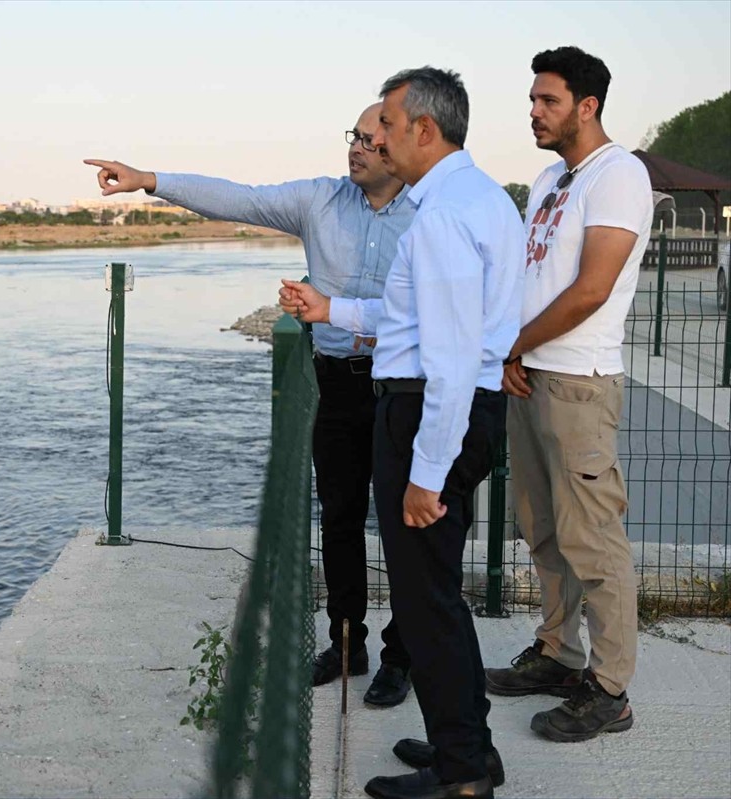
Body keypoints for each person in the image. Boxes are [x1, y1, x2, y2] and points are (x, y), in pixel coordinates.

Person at [84, 101, 416, 708]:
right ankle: (348, 645)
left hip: (404, 386)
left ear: (401, 143)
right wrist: (149, 181)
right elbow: (235, 197)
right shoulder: (319, 200)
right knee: (340, 519)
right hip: (337, 382)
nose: (357, 148)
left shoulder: (430, 213)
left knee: (401, 523)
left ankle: (402, 654)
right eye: (354, 137)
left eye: (372, 139)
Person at [281, 67, 523, 799]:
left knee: (426, 602)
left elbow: (447, 358)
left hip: (429, 413)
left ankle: (462, 777)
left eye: (386, 122)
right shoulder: (478, 200)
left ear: (424, 127)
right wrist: (335, 311)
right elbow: (419, 321)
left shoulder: (444, 216)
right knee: (437, 590)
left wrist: (425, 472)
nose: (376, 137)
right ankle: (470, 747)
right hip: (447, 408)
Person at [485, 46, 651, 744]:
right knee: (542, 527)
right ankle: (557, 653)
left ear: (587, 105)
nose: (533, 111)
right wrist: (510, 351)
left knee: (594, 539)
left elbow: (592, 288)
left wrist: (514, 345)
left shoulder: (620, 176)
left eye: (546, 100)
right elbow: (531, 275)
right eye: (532, 99)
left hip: (578, 382)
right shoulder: (550, 178)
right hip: (529, 376)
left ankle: (610, 688)